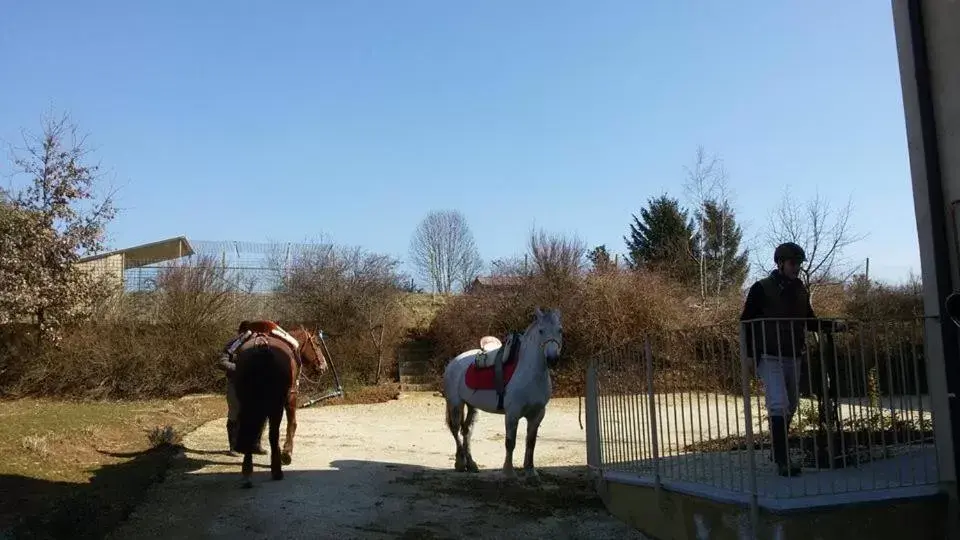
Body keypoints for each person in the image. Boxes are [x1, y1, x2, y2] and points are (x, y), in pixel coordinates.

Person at [740, 242, 843, 477]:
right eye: (792, 263)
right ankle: (782, 460)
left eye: (798, 264)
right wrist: (747, 355)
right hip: (769, 354)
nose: (796, 268)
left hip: (793, 354)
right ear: (780, 263)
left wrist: (832, 326)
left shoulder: (800, 290)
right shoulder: (761, 288)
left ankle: (778, 446)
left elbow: (809, 319)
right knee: (779, 403)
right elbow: (745, 321)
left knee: (792, 405)